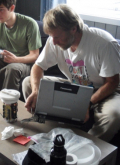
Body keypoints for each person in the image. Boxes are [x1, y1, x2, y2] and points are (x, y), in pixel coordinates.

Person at [22, 4, 120, 142]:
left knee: (114, 116)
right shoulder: (54, 40)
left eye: (57, 37)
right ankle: (50, 131)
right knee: (28, 83)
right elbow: (37, 67)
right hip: (76, 85)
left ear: (73, 29)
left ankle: (87, 145)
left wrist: (87, 102)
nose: (53, 42)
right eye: (51, 37)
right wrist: (36, 91)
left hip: (104, 90)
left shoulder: (104, 43)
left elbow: (113, 82)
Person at [0, 0, 42, 90]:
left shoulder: (29, 24)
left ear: (12, 8)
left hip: (24, 62)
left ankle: (7, 103)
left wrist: (16, 59)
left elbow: (35, 55)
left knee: (11, 69)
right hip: (4, 58)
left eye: (1, 10)